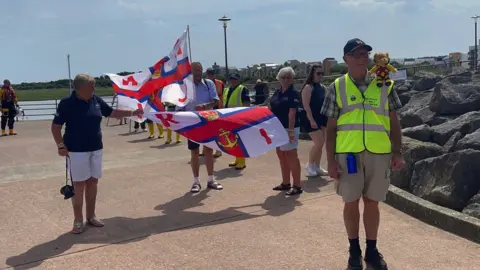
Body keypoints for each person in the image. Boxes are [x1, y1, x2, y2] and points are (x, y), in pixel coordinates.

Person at [321, 38, 405, 270]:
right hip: (348, 154)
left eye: (365, 54)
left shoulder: (384, 83)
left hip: (379, 153)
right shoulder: (336, 87)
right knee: (350, 201)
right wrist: (330, 160)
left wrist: (397, 152)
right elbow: (330, 129)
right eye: (356, 54)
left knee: (372, 202)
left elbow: (395, 121)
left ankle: (372, 249)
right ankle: (354, 250)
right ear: (346, 58)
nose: (362, 58)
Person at [51, 73, 143, 234]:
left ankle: (91, 216)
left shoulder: (96, 100)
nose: (94, 88)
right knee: (78, 185)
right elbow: (56, 127)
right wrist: (60, 145)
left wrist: (133, 113)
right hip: (76, 151)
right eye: (91, 86)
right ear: (81, 88)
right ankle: (78, 220)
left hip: (96, 148)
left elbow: (112, 113)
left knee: (93, 182)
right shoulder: (67, 103)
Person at [186, 62, 223, 193]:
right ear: (190, 71)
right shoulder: (185, 86)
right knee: (194, 152)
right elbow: (180, 106)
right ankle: (196, 182)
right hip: (192, 123)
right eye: (195, 69)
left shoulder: (209, 84)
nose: (198, 72)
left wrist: (205, 106)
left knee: (209, 151)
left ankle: (211, 180)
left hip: (208, 121)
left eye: (199, 69)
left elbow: (215, 100)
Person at [268, 67, 302, 196]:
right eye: (283, 77)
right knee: (281, 155)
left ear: (292, 79)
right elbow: (271, 108)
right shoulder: (277, 92)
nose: (286, 79)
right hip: (277, 128)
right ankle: (286, 182)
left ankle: (297, 185)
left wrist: (291, 130)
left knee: (291, 155)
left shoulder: (293, 93)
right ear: (279, 79)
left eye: (289, 77)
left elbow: (292, 113)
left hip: (289, 128)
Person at [299, 64, 328, 177]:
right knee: (318, 142)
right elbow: (306, 106)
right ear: (312, 74)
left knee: (321, 144)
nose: (320, 75)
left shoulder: (322, 87)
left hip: (321, 118)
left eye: (322, 73)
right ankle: (310, 164)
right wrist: (311, 120)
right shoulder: (308, 87)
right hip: (310, 118)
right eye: (318, 73)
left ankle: (317, 166)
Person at [223, 73, 251, 170]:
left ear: (239, 80)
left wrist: (244, 117)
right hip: (229, 118)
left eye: (234, 79)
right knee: (233, 140)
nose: (232, 81)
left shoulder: (242, 89)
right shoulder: (227, 90)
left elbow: (247, 103)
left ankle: (242, 161)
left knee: (240, 140)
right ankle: (237, 159)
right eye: (231, 79)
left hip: (239, 118)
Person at [200, 68, 224, 158]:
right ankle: (205, 149)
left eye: (212, 74)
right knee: (205, 131)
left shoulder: (220, 83)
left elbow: (221, 96)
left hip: (218, 109)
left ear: (214, 74)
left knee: (217, 131)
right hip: (207, 110)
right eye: (209, 74)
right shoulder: (204, 83)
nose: (210, 76)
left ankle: (218, 151)